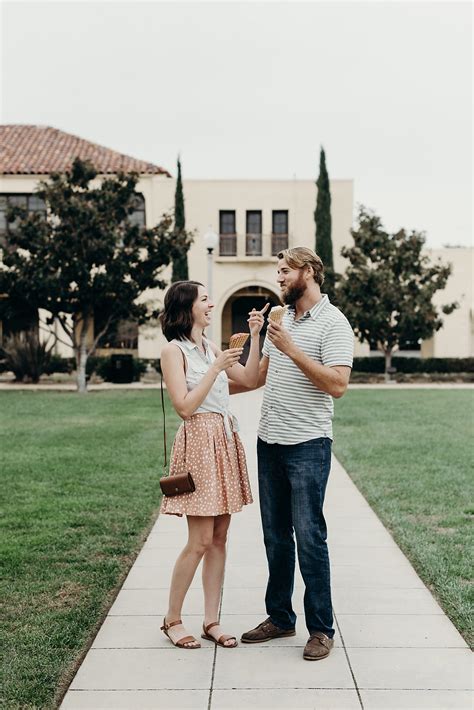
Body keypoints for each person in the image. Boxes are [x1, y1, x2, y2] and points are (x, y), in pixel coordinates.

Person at [240, 247, 354, 661]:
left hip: (308, 445)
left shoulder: (335, 323)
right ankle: (281, 617)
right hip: (269, 443)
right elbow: (258, 376)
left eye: (285, 271)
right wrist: (200, 387)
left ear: (308, 272)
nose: (280, 277)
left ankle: (321, 629)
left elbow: (338, 385)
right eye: (279, 271)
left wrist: (292, 349)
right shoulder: (281, 320)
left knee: (309, 537)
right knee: (275, 537)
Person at [159, 280, 268, 650]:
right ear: (186, 307)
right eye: (205, 299)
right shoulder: (174, 351)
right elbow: (185, 406)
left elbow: (251, 379)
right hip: (199, 444)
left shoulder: (210, 347)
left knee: (220, 538)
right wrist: (216, 369)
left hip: (223, 440)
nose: (211, 304)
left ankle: (211, 621)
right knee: (200, 539)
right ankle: (172, 619)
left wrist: (255, 336)